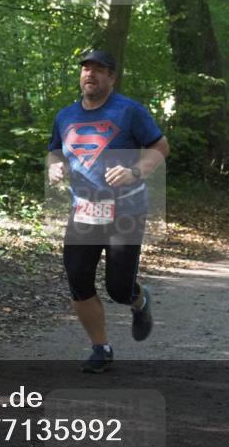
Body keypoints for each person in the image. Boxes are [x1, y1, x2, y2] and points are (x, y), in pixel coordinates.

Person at [47, 50, 170, 373]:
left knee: (118, 288)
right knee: (78, 280)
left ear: (112, 78)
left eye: (99, 70)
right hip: (84, 210)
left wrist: (137, 171)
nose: (91, 75)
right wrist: (54, 168)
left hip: (126, 210)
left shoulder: (129, 111)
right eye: (86, 69)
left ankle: (139, 300)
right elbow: (54, 152)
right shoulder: (65, 116)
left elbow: (160, 147)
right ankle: (101, 348)